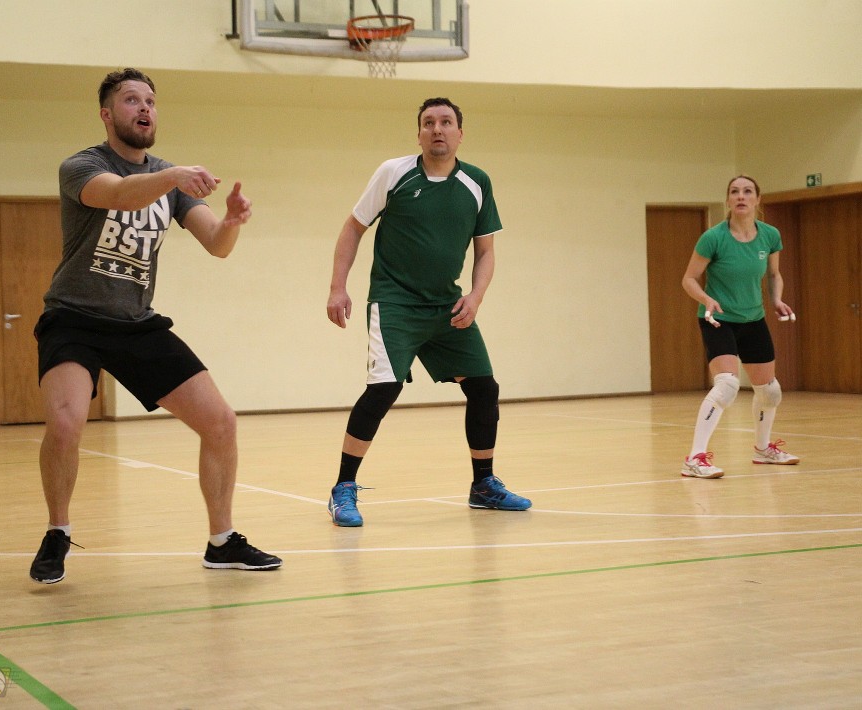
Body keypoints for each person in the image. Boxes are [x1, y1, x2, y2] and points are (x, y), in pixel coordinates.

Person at [29, 68, 281, 583]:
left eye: (150, 100)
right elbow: (121, 195)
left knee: (221, 422)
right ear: (107, 114)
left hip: (136, 323)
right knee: (67, 422)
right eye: (131, 100)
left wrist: (231, 222)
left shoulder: (169, 178)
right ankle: (57, 531)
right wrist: (173, 177)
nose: (144, 108)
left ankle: (222, 542)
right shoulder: (82, 166)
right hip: (74, 319)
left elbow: (216, 245)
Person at [324, 97, 531, 527]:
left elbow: (486, 250)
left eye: (446, 122)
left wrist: (475, 297)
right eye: (429, 122)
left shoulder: (477, 182)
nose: (438, 129)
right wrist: (337, 287)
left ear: (460, 133)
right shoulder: (393, 172)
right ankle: (343, 487)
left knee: (484, 388)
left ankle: (483, 485)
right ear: (419, 133)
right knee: (383, 389)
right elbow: (353, 228)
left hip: (447, 305)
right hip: (395, 302)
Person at [680, 174, 800, 479]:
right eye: (735, 192)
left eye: (747, 191)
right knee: (727, 386)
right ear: (728, 200)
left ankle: (763, 449)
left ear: (757, 199)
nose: (741, 196)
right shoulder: (713, 238)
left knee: (770, 392)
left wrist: (776, 300)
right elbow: (689, 279)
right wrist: (706, 299)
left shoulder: (770, 235)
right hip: (718, 318)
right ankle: (695, 458)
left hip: (753, 319)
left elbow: (774, 274)